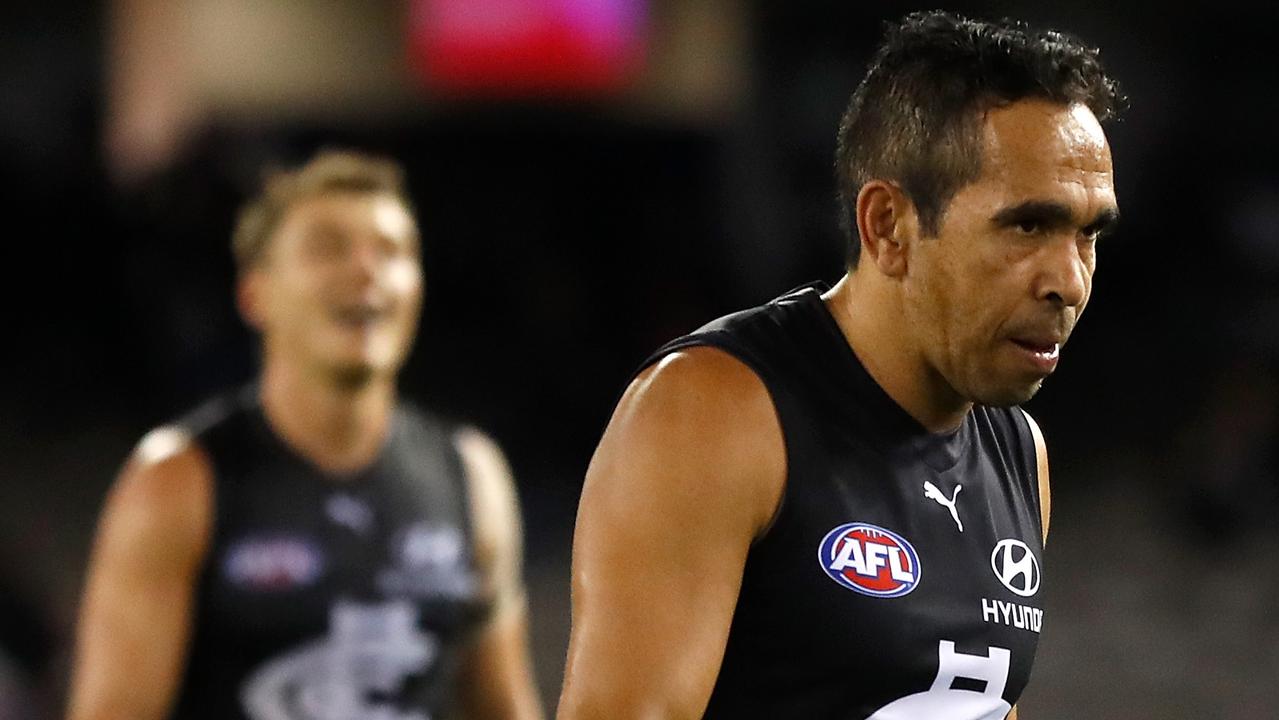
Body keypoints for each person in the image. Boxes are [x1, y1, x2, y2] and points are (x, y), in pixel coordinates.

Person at [558, 11, 1122, 720]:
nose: (1067, 281)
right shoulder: (714, 412)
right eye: (1027, 226)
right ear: (887, 226)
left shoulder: (1016, 453)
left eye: (1088, 234)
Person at [68, 150, 544, 720]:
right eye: (328, 247)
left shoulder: (470, 475)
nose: (366, 271)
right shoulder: (177, 482)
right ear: (255, 294)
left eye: (391, 251)